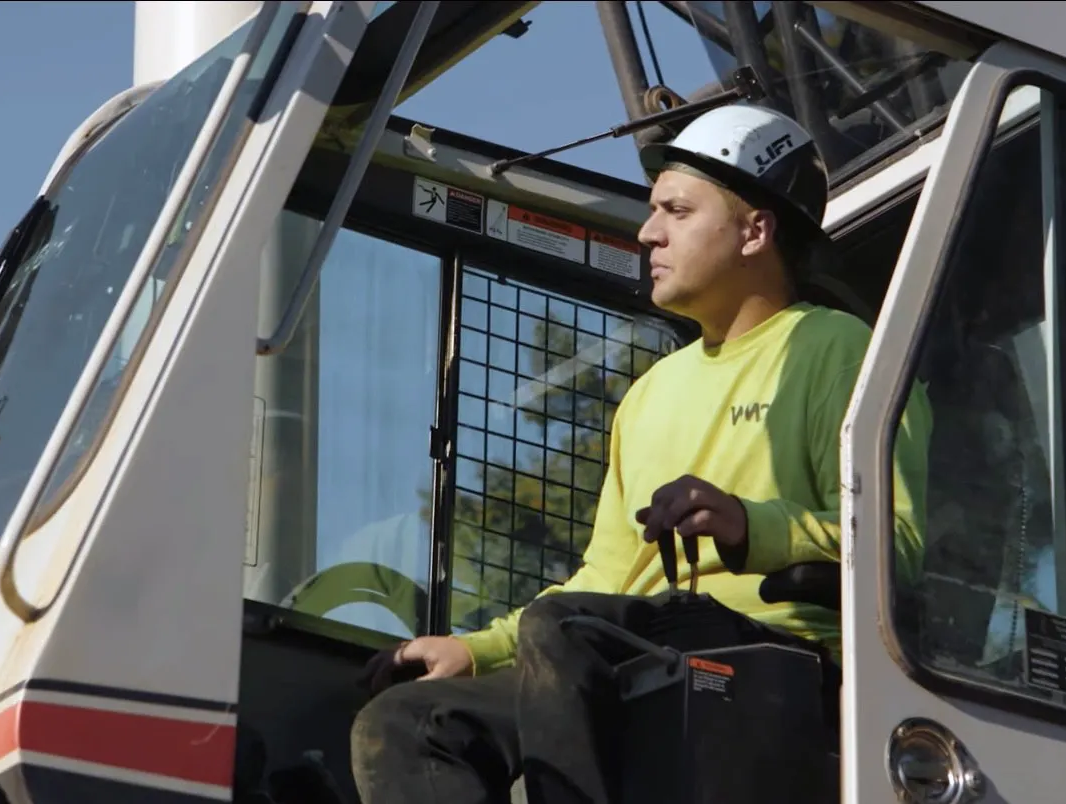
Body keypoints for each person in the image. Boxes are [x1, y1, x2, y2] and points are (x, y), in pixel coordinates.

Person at [349, 102, 932, 804]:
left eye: (677, 211)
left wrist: (752, 526)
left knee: (568, 634)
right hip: (637, 657)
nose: (647, 232)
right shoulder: (650, 393)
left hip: (777, 669)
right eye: (654, 211)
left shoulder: (839, 351)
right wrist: (477, 649)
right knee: (410, 721)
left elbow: (898, 546)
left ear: (755, 231)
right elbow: (606, 573)